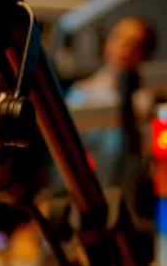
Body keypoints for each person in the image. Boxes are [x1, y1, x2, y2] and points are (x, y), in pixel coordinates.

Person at [64, 16, 158, 188]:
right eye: (119, 38)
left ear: (144, 53)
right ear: (108, 44)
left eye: (134, 44)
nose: (125, 48)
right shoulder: (81, 92)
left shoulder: (153, 98)